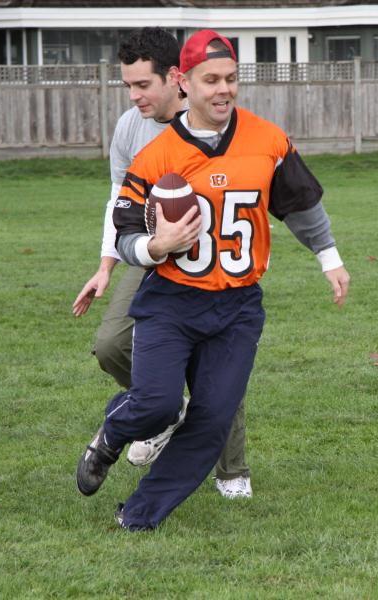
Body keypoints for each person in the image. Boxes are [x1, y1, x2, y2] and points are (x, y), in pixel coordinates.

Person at [75, 29, 351, 531]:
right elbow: (126, 230)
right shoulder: (157, 155)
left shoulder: (268, 140)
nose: (224, 89)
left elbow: (301, 204)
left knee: (212, 419)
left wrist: (328, 257)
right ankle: (113, 433)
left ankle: (139, 514)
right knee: (157, 403)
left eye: (231, 78)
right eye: (211, 80)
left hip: (238, 305)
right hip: (171, 300)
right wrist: (156, 246)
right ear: (185, 82)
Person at [70, 27, 253, 499]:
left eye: (142, 85)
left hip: (211, 260)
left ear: (175, 78)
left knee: (217, 360)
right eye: (128, 85)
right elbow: (119, 202)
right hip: (152, 254)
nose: (133, 96)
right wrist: (106, 265)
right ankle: (165, 410)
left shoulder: (215, 121)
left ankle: (232, 471)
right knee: (111, 344)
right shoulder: (130, 127)